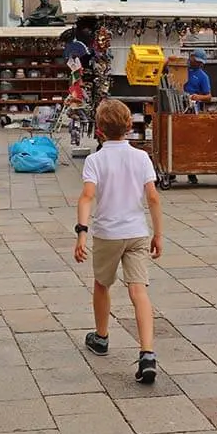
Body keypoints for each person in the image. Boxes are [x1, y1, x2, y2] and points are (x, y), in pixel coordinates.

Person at [74, 98, 163, 385]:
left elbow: (87, 196)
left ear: (99, 129)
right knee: (139, 291)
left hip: (107, 233)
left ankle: (101, 336)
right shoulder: (140, 158)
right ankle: (147, 352)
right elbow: (152, 197)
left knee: (102, 283)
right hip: (137, 232)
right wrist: (158, 233)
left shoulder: (95, 160)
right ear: (129, 126)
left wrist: (82, 231)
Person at [179, 49, 212, 184]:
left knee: (190, 140)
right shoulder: (180, 68)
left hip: (191, 110)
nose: (199, 64)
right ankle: (171, 171)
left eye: (201, 63)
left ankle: (191, 171)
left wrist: (198, 97)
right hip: (175, 107)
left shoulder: (203, 76)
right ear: (191, 57)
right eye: (197, 61)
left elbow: (209, 96)